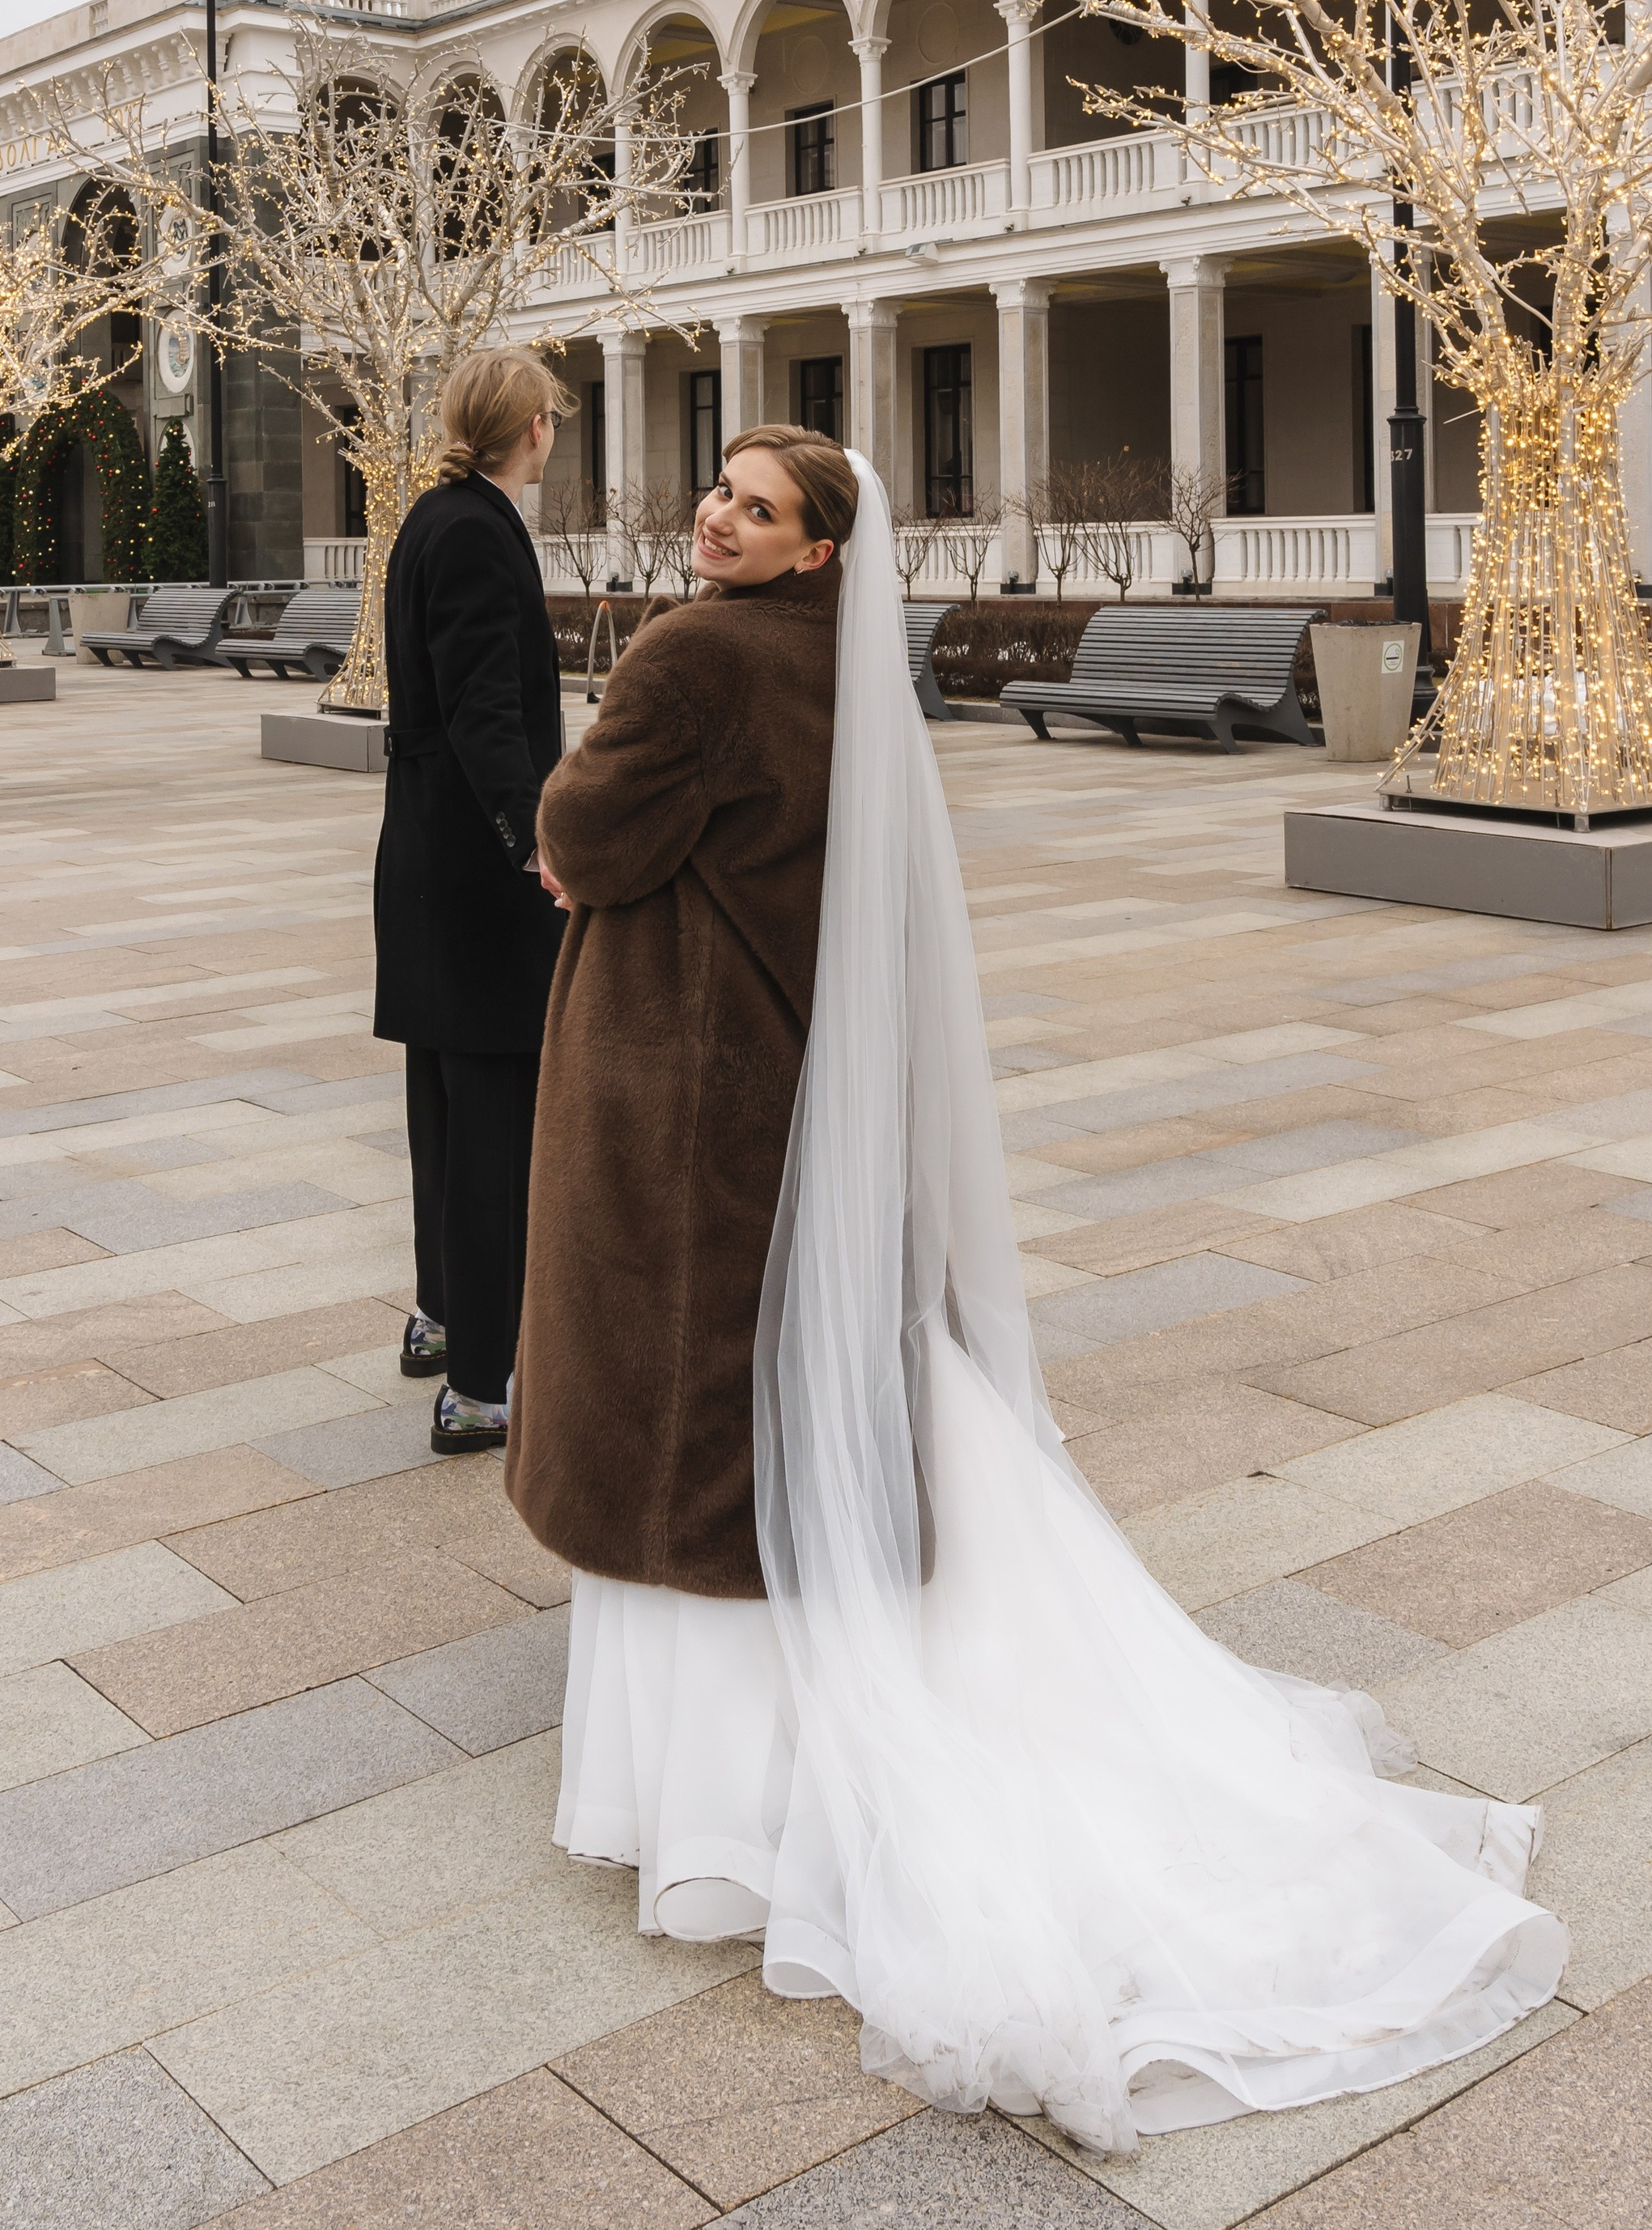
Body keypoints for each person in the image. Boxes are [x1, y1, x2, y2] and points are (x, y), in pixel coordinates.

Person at [507, 426, 1566, 2156]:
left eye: (753, 508)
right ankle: (801, 1726)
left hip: (679, 1075)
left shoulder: (692, 653)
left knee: (681, 1395)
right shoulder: (843, 678)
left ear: (812, 553)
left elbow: (586, 831)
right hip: (795, 1084)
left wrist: (569, 816)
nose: (715, 514)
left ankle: (720, 1810)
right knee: (782, 1381)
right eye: (717, 488)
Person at [373, 345, 569, 1454]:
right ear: (532, 426)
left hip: (426, 861)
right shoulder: (477, 532)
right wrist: (538, 843)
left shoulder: (432, 518)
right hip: (479, 875)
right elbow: (487, 712)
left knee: (445, 1114)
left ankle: (443, 1320)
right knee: (492, 1124)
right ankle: (484, 1385)